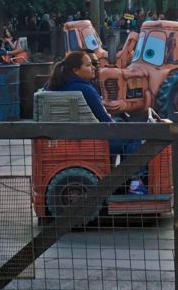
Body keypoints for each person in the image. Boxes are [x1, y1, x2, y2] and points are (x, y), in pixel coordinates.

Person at [47, 51, 147, 194]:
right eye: (88, 65)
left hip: (68, 139)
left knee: (120, 122)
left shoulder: (55, 85)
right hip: (90, 142)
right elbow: (105, 121)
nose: (93, 68)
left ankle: (122, 178)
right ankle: (135, 183)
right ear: (76, 70)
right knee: (133, 134)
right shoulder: (85, 89)